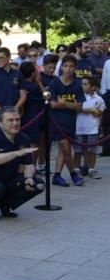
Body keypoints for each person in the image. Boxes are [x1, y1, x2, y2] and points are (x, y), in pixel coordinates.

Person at [49, 54, 86, 187]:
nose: (68, 69)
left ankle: (57, 176)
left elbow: (80, 107)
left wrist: (64, 103)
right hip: (57, 122)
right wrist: (72, 105)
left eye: (71, 66)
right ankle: (73, 174)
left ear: (75, 68)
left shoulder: (77, 84)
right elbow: (53, 104)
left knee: (62, 150)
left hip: (71, 121)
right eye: (66, 66)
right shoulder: (54, 83)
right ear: (62, 67)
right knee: (66, 148)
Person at [0, 47, 26, 129]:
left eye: (1, 58)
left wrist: (15, 108)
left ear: (9, 58)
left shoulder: (18, 74)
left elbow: (23, 94)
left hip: (14, 114)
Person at [74, 76, 104, 180]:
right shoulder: (78, 96)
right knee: (77, 150)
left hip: (92, 129)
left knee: (92, 150)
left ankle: (91, 169)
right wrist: (90, 110)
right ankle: (76, 169)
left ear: (93, 87)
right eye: (82, 83)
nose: (82, 86)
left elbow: (101, 113)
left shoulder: (99, 99)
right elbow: (76, 109)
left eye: (85, 84)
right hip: (79, 128)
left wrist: (99, 126)